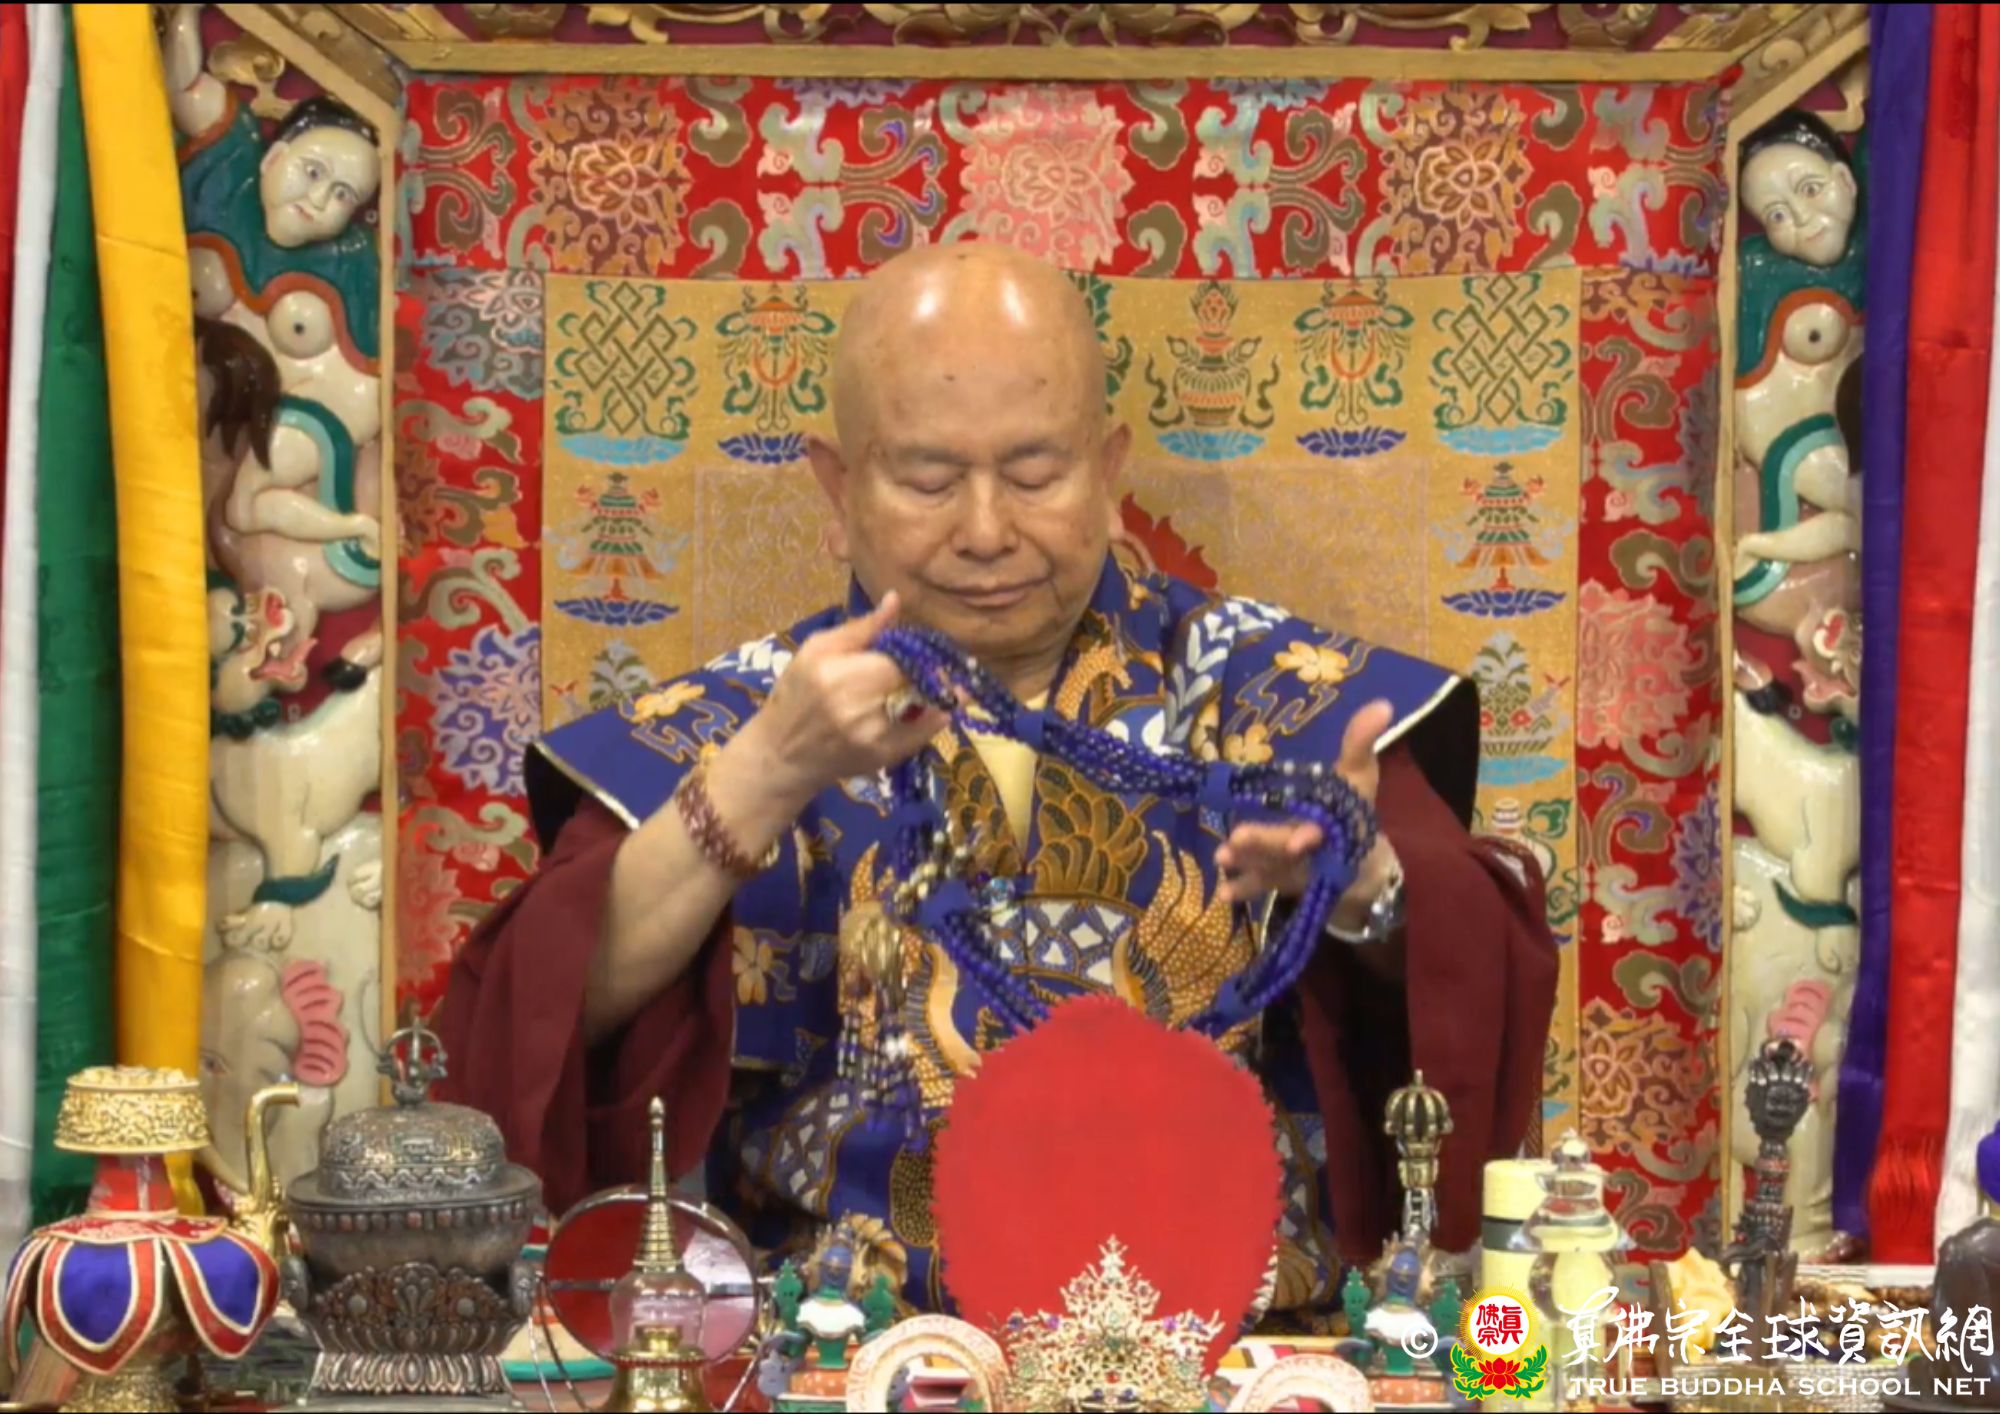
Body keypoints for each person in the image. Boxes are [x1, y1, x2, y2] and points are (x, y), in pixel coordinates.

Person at [437, 245, 1558, 1315]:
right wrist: (763, 778)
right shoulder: (746, 723)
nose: (985, 532)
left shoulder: (1275, 700)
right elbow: (525, 1035)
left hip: (1228, 1358)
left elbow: (1472, 989)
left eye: (1034, 474)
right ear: (837, 487)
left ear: (1108, 474)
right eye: (929, 478)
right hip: (833, 1349)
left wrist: (1362, 894)